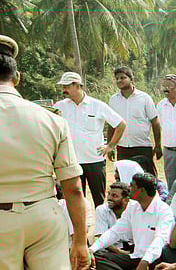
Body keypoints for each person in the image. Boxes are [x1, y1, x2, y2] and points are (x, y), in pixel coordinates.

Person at [0, 35, 96, 270]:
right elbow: (73, 187)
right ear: (17, 77)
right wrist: (80, 241)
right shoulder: (51, 119)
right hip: (43, 213)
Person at [90, 173, 175, 270]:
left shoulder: (163, 210)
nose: (129, 189)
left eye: (132, 186)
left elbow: (160, 239)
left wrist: (145, 261)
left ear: (141, 190)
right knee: (97, 254)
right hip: (135, 257)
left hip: (154, 259)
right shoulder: (133, 207)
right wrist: (91, 249)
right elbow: (115, 232)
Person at [54, 71, 126, 207]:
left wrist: (110, 146)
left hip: (95, 160)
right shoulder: (60, 106)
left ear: (77, 85)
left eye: (66, 86)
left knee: (99, 200)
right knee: (76, 200)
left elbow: (121, 124)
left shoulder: (97, 105)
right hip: (72, 162)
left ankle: (102, 227)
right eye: (63, 87)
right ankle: (81, 228)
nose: (64, 90)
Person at [109, 65, 161, 162]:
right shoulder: (113, 100)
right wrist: (110, 145)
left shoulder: (144, 98)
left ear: (131, 79)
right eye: (117, 78)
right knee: (124, 176)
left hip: (142, 147)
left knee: (145, 176)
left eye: (123, 78)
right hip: (122, 147)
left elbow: (155, 122)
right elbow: (111, 125)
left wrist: (158, 145)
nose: (119, 80)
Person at [94, 182, 133, 252]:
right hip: (113, 250)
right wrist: (121, 252)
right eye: (108, 194)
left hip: (133, 247)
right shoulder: (101, 209)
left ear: (125, 200)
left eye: (114, 196)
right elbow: (101, 237)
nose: (109, 198)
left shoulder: (134, 209)